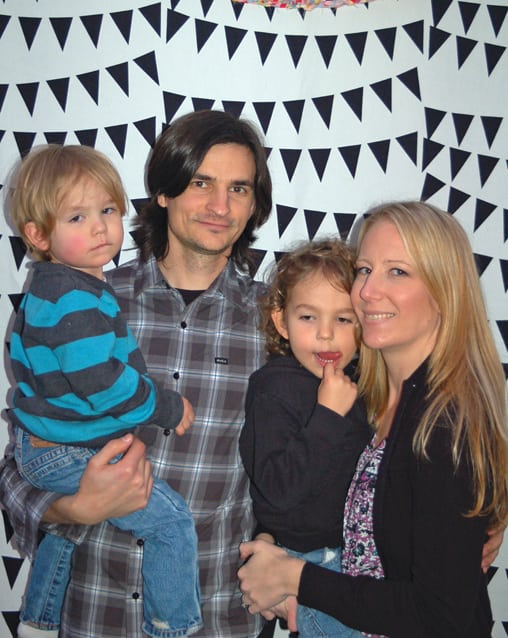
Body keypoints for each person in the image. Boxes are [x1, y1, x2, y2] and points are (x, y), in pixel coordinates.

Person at [0, 109, 273, 638]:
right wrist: (72, 507)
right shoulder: (83, 302)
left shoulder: (281, 322)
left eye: (239, 188)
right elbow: (22, 455)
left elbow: (326, 450)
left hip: (218, 617)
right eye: (201, 183)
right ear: (165, 194)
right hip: (94, 615)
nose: (221, 206)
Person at [238, 201, 508, 638]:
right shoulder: (372, 395)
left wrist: (295, 578)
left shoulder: (443, 423)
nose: (366, 291)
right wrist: (273, 541)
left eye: (397, 271)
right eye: (364, 269)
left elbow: (440, 616)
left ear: (445, 289)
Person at [6, 144, 201, 638]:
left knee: (71, 529)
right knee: (171, 519)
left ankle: (40, 616)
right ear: (38, 234)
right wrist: (167, 406)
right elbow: (105, 386)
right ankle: (172, 626)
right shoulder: (73, 297)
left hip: (53, 443)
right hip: (61, 450)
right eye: (77, 216)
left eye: (108, 211)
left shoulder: (62, 289)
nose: (99, 227)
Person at [239, 238, 372, 637]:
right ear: (281, 322)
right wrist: (328, 415)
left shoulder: (362, 384)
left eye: (344, 319)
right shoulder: (274, 388)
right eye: (308, 318)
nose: (326, 335)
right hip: (305, 556)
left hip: (350, 559)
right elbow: (277, 490)